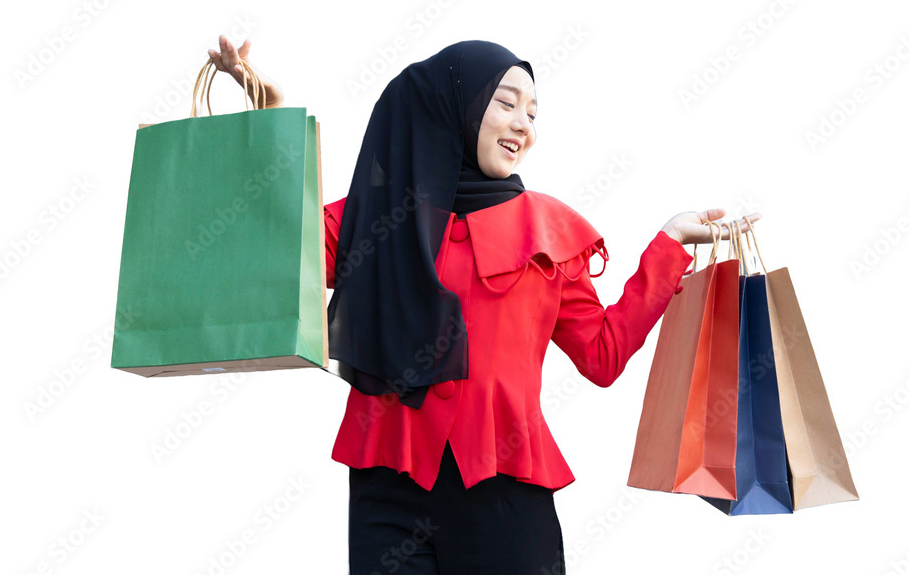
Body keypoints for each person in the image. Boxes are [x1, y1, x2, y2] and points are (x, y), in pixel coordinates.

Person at [207, 35, 762, 574]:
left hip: (505, 497)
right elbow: (272, 252)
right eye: (506, 103)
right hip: (386, 493)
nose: (524, 124)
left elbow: (602, 356)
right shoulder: (375, 215)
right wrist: (268, 119)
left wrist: (666, 249)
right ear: (455, 108)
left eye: (534, 112)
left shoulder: (549, 230)